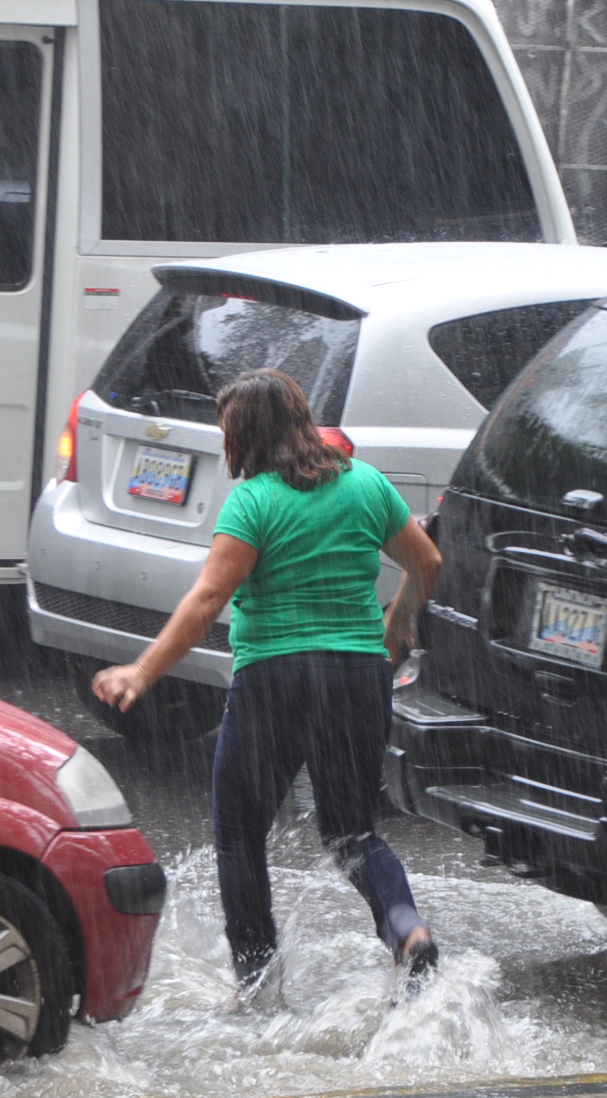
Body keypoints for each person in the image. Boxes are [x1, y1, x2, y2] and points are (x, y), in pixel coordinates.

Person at [93, 367, 445, 994]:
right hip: (358, 676)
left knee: (239, 835)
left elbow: (207, 601)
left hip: (274, 678)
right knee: (352, 830)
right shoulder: (365, 484)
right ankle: (406, 930)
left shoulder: (253, 501)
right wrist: (398, 619)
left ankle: (256, 981)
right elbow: (428, 561)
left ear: (244, 435)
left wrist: (142, 671)